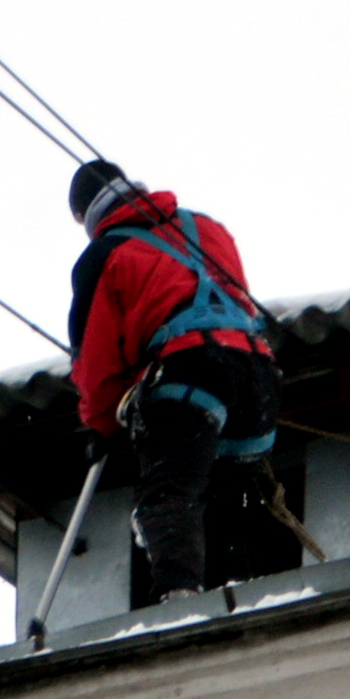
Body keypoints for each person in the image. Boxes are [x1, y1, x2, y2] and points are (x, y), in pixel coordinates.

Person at [65, 158, 288, 606]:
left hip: (191, 369)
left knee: (170, 493)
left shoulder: (104, 254)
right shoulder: (206, 227)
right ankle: (239, 596)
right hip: (256, 373)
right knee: (230, 503)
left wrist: (101, 425)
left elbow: (97, 361)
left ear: (84, 214)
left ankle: (180, 600)